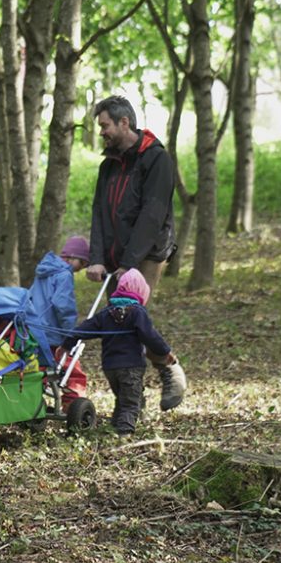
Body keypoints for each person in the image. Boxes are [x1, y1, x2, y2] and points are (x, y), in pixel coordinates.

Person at [87, 95, 186, 410]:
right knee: (117, 323)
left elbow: (153, 215)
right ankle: (131, 399)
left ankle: (169, 369)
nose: (101, 131)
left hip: (147, 253)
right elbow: (100, 214)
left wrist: (129, 264)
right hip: (115, 256)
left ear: (124, 122)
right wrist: (97, 258)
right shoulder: (108, 167)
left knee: (129, 318)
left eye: (104, 125)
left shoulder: (156, 159)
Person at [60, 269, 179, 436]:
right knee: (131, 402)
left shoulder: (106, 313)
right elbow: (150, 336)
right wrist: (165, 352)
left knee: (121, 400)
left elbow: (83, 329)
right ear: (141, 292)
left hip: (110, 368)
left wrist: (67, 344)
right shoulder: (137, 312)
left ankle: (114, 427)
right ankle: (124, 433)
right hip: (131, 367)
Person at [28, 235, 90, 407]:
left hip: (34, 328)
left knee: (38, 368)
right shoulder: (64, 274)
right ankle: (73, 403)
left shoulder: (43, 271)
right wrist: (70, 332)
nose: (81, 269)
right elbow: (63, 304)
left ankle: (31, 402)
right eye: (82, 263)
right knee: (71, 366)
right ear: (72, 257)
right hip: (53, 331)